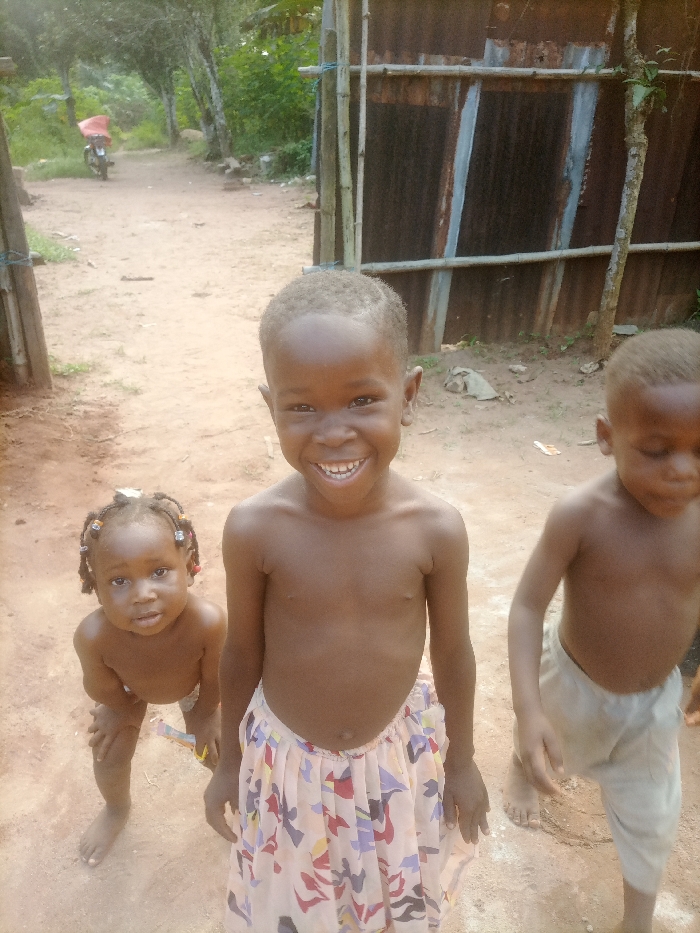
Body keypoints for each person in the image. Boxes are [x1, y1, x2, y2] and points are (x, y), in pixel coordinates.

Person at [204, 272, 490, 932]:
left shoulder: (435, 530)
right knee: (298, 906)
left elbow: (454, 654)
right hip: (287, 769)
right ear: (271, 407)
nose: (333, 433)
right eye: (302, 407)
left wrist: (463, 760)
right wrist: (229, 764)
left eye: (362, 400)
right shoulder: (254, 529)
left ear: (408, 395)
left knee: (387, 903)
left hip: (395, 761)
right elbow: (241, 654)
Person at [503, 328, 700, 933]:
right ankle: (520, 767)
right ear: (606, 436)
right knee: (546, 749)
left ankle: (637, 920)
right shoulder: (581, 516)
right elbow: (527, 608)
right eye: (656, 450)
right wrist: (528, 711)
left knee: (653, 818)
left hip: (656, 706)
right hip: (573, 686)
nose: (682, 471)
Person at [74, 491, 227, 867]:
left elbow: (216, 678)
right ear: (95, 584)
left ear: (188, 565)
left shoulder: (209, 623)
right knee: (108, 756)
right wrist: (119, 708)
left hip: (195, 687)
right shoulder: (93, 637)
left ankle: (234, 795)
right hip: (126, 690)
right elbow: (100, 686)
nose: (142, 595)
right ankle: (116, 808)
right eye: (119, 580)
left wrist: (205, 713)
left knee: (217, 749)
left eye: (159, 572)